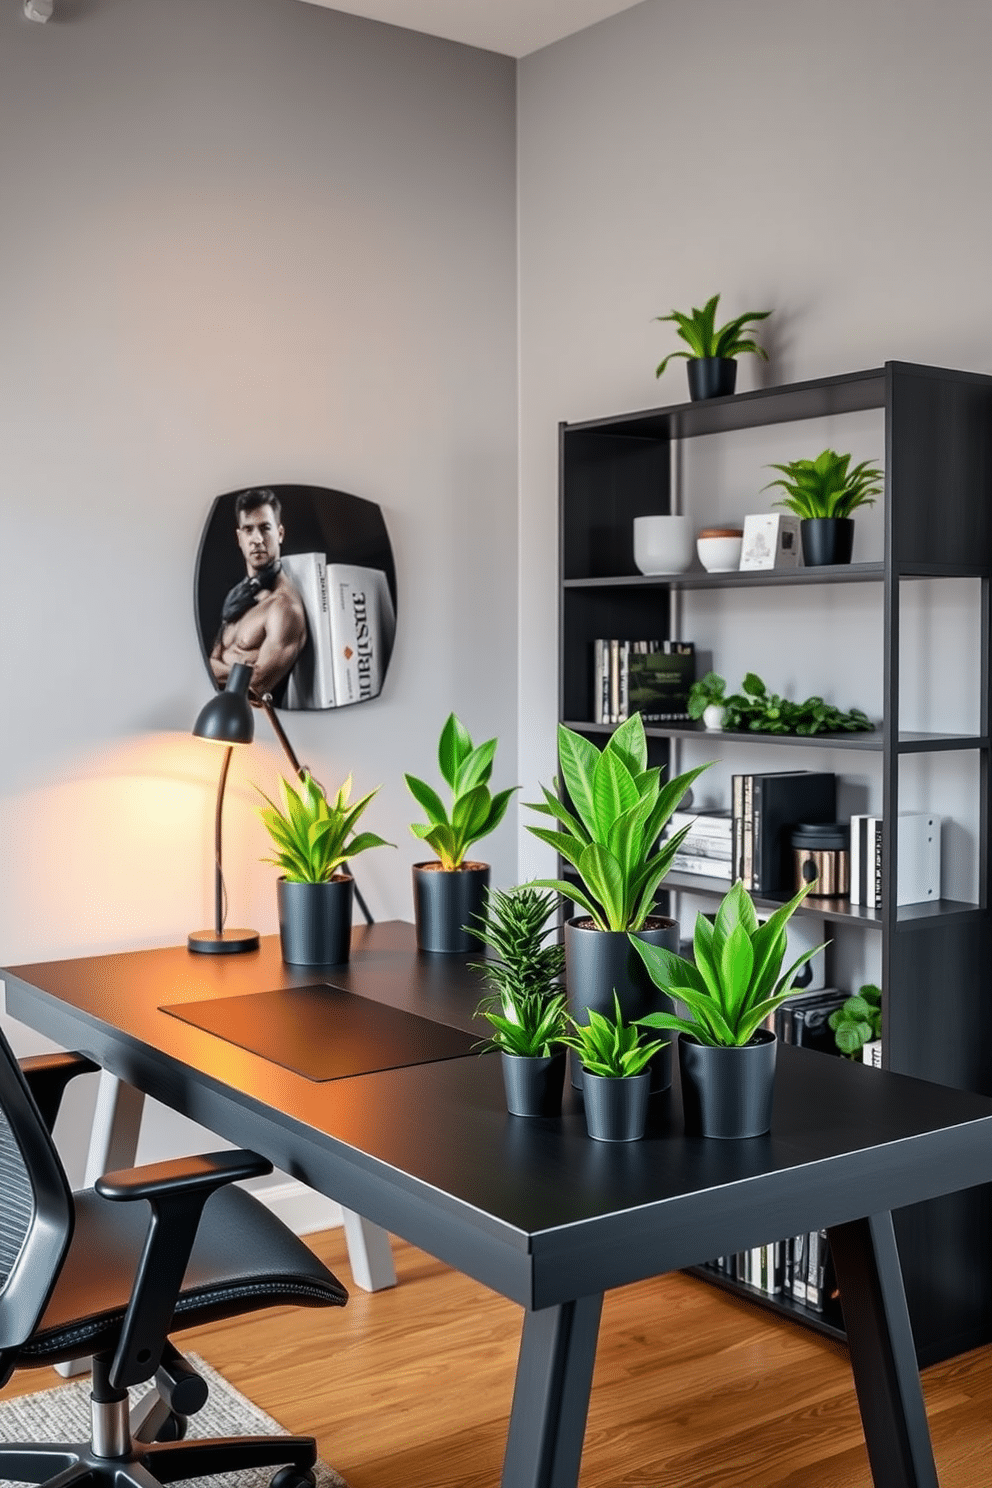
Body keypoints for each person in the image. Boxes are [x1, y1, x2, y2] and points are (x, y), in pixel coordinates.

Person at [210, 489, 307, 699]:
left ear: (279, 534)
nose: (257, 539)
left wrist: (220, 669)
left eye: (265, 528)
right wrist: (239, 670)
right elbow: (209, 661)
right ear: (239, 537)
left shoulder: (284, 606)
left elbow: (257, 684)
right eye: (248, 530)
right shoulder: (238, 595)